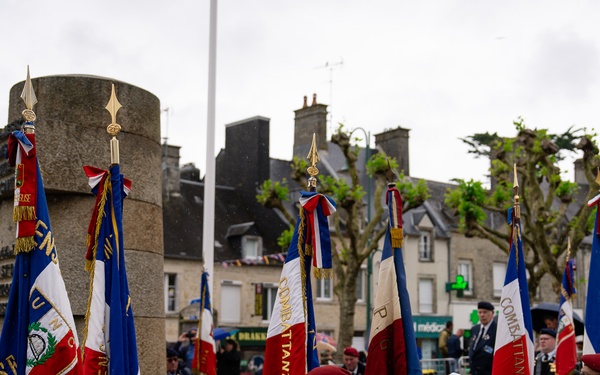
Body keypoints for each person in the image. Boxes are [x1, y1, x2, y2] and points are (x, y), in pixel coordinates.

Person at [469, 301, 497, 375]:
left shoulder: (497, 330)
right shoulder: (475, 329)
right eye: (480, 312)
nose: (482, 315)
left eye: (485, 312)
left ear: (492, 313)